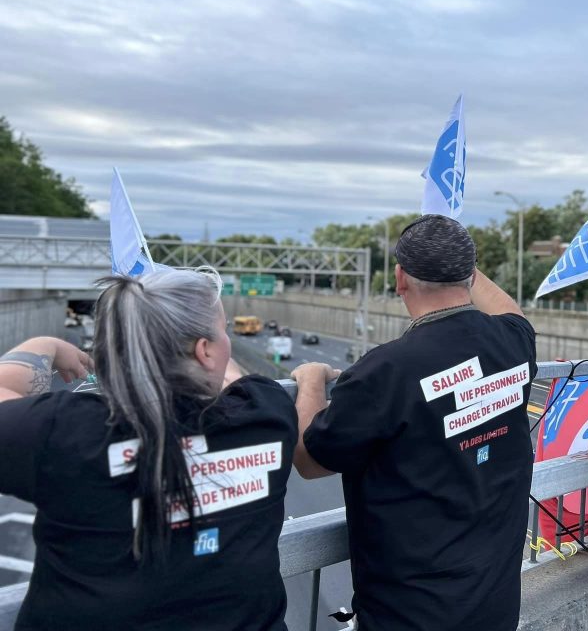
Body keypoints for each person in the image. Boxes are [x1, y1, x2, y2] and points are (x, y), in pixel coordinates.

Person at [0, 269, 297, 630]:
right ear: (205, 350)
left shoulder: (64, 432)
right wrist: (309, 379)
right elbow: (230, 376)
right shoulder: (264, 413)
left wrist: (45, 345)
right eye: (224, 331)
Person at [292, 215, 536, 631]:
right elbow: (509, 308)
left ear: (400, 278)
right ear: (470, 275)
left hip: (410, 613)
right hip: (495, 606)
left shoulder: (385, 371)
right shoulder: (514, 340)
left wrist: (310, 383)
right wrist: (462, 262)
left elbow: (311, 462)